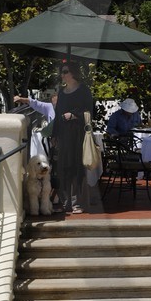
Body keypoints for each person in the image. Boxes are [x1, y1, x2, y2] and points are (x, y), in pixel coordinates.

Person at [49, 61, 92, 214]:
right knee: (63, 168)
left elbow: (89, 111)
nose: (63, 75)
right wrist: (54, 134)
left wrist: (74, 115)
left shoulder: (83, 91)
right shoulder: (61, 92)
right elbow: (57, 115)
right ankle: (65, 202)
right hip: (63, 134)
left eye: (65, 71)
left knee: (76, 167)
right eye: (61, 72)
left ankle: (77, 203)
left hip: (78, 134)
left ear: (73, 72)